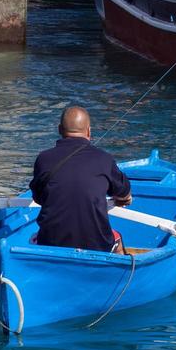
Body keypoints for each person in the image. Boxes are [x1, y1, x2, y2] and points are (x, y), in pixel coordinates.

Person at [29, 105, 133, 253]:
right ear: (89, 131)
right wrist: (124, 198)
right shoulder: (104, 159)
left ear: (59, 130)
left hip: (51, 243)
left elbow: (39, 198)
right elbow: (124, 192)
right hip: (97, 245)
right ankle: (116, 271)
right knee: (118, 239)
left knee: (33, 238)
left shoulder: (43, 159)